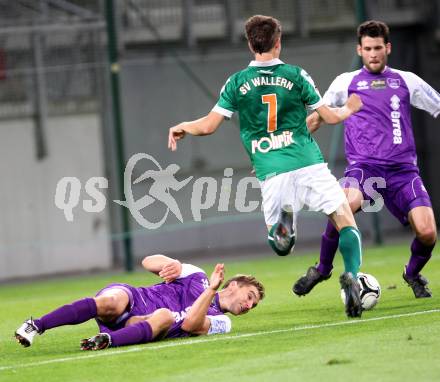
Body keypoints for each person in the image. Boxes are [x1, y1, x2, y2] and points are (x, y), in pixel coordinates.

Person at [168, 15, 365, 317]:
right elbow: (329, 116)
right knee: (344, 219)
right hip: (308, 162)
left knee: (281, 246)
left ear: (250, 43)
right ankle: (352, 275)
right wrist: (349, 107)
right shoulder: (297, 75)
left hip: (272, 171)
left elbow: (208, 126)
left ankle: (282, 227)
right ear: (278, 41)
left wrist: (184, 126)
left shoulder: (236, 82)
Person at [293, 20, 440, 299]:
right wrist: (285, 149)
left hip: (403, 172)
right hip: (364, 167)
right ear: (359, 49)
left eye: (378, 48)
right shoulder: (345, 82)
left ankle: (412, 274)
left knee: (428, 232)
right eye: (368, 48)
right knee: (343, 205)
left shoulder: (407, 81)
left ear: (388, 48)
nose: (373, 53)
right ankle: (323, 268)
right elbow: (317, 118)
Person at [15, 255, 265, 350]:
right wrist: (173, 265)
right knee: (111, 301)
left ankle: (106, 341)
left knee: (165, 315)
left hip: (145, 324)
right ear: (234, 285)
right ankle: (35, 325)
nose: (249, 306)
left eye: (253, 306)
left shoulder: (223, 322)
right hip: (135, 298)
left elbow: (190, 324)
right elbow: (148, 262)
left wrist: (211, 291)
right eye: (250, 297)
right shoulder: (197, 275)